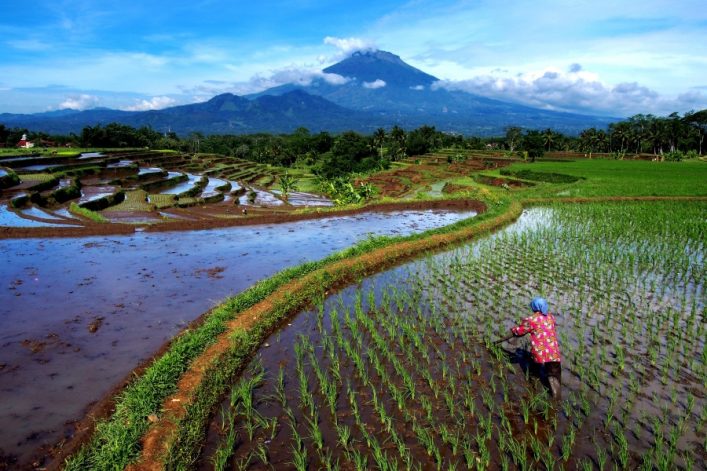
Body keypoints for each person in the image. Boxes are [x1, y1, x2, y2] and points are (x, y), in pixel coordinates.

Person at [510, 297, 562, 398]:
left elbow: (520, 331)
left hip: (539, 353)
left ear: (534, 307)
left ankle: (533, 390)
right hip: (554, 353)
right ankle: (556, 398)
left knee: (534, 371)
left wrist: (513, 330)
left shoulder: (531, 320)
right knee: (554, 375)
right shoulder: (551, 317)